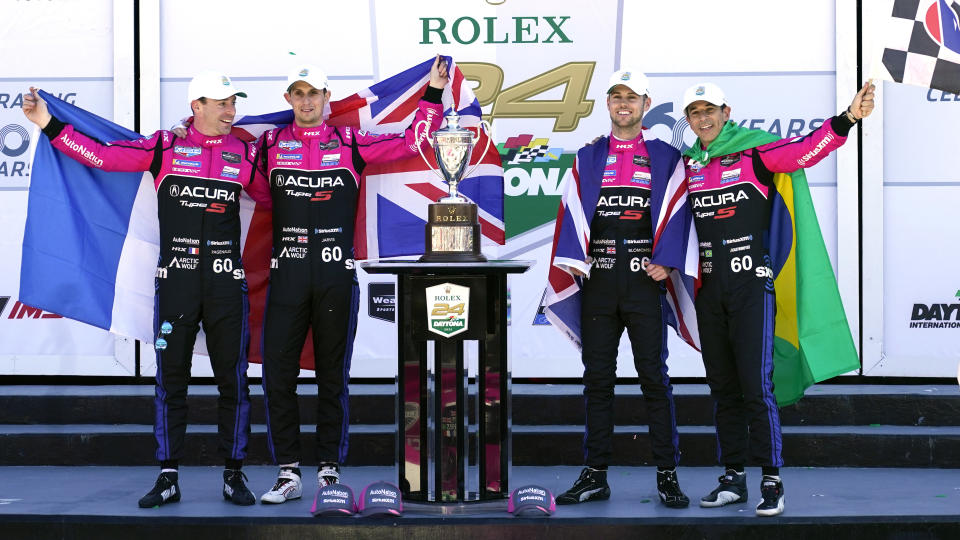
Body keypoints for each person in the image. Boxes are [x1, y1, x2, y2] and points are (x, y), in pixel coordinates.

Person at [22, 71, 272, 508]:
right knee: (170, 381)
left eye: (233, 102)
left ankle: (234, 473)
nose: (231, 110)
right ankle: (168, 475)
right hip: (176, 280)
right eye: (222, 102)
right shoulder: (165, 146)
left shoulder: (245, 152)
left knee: (233, 382)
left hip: (226, 282)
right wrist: (50, 124)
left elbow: (276, 196)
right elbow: (103, 156)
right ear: (197, 106)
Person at [254, 56, 447, 504]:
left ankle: (327, 469)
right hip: (287, 274)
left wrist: (434, 93)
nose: (306, 100)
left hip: (335, 274)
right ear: (289, 99)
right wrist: (189, 127)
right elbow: (249, 185)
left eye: (313, 93)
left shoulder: (350, 142)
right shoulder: (268, 146)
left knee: (332, 376)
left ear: (326, 98)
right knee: (277, 376)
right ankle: (287, 472)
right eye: (298, 93)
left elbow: (410, 142)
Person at [681, 80, 875, 516]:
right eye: (695, 112)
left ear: (726, 111)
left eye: (710, 109)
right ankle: (733, 478)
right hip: (709, 289)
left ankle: (772, 479)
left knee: (756, 384)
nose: (704, 118)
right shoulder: (689, 163)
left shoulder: (756, 150)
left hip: (752, 285)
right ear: (689, 120)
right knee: (722, 387)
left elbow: (807, 149)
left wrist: (847, 119)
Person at [551, 69, 690, 508]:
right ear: (607, 105)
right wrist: (575, 261)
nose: (624, 104)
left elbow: (681, 206)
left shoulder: (667, 155)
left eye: (632, 97)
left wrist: (667, 259)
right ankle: (595, 475)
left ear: (646, 104)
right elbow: (571, 210)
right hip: (600, 282)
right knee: (597, 381)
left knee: (654, 378)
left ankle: (668, 474)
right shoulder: (588, 156)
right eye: (616, 97)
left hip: (643, 282)